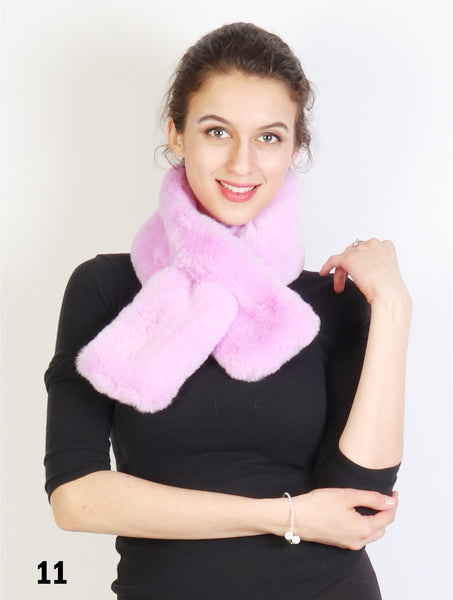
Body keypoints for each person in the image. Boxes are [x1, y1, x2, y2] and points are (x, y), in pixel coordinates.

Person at [44, 22, 411, 600]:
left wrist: (392, 306)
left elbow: (360, 502)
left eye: (269, 137)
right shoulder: (106, 288)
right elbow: (76, 497)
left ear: (295, 148)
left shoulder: (334, 300)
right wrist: (285, 516)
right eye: (218, 131)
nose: (243, 163)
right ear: (177, 134)